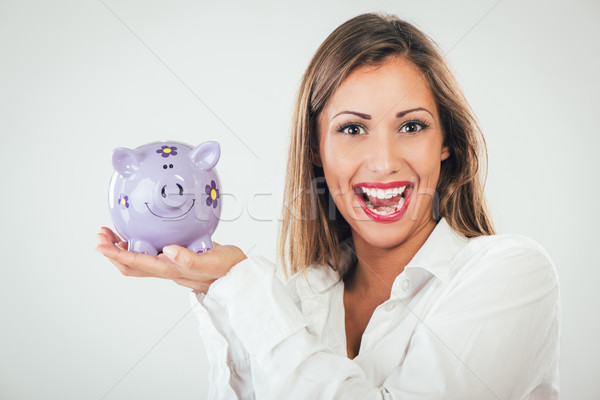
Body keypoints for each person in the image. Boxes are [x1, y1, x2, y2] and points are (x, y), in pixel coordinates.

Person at [96, 12, 560, 399]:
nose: (383, 162)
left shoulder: (511, 275)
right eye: (353, 129)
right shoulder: (298, 301)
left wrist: (241, 282)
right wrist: (217, 288)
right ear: (316, 148)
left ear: (446, 144)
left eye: (412, 126)